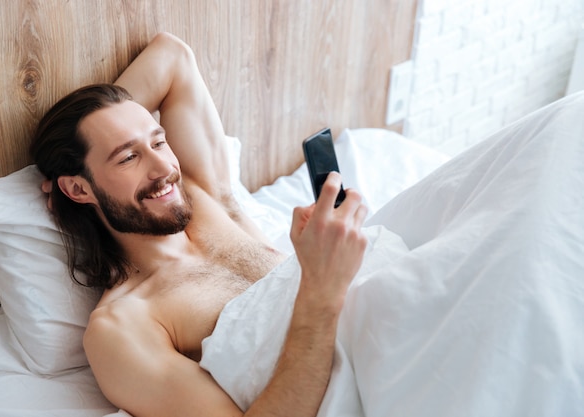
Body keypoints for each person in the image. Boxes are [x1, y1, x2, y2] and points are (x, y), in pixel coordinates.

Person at [31, 32, 368, 417]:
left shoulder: (206, 198)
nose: (164, 169)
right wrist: (322, 289)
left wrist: (108, 131)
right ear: (77, 188)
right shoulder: (123, 325)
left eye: (158, 143)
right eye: (128, 158)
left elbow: (172, 56)